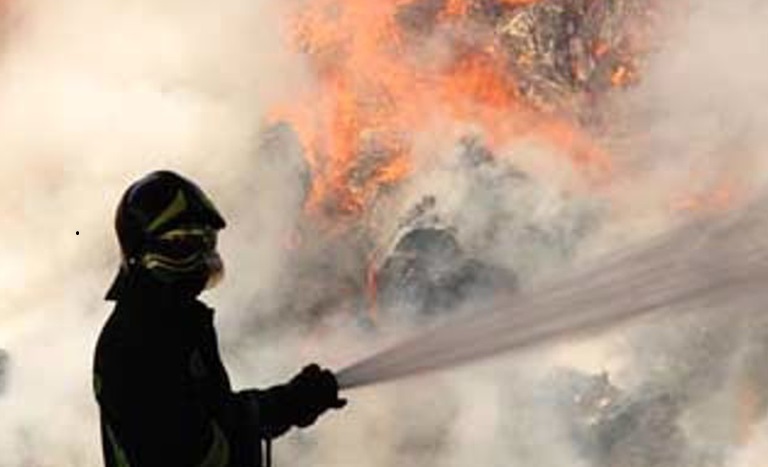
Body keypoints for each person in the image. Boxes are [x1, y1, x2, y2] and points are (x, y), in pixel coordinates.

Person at [93, 170, 346, 467]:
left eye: (206, 241)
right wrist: (283, 407)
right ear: (141, 251)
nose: (200, 257)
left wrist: (289, 401)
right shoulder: (135, 341)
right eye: (183, 243)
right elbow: (189, 451)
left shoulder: (175, 325)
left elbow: (214, 413)